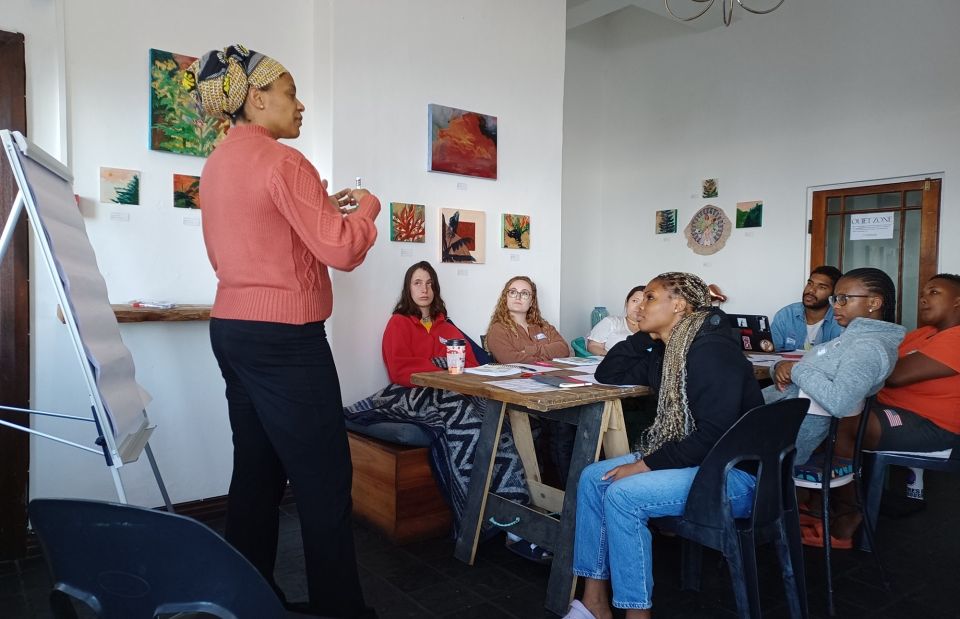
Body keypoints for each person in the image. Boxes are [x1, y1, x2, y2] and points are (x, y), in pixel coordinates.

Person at [187, 45, 378, 617]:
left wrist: (323, 204)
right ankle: (340, 610)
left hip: (232, 330)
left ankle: (248, 602)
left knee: (256, 471)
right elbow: (341, 250)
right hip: (285, 340)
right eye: (291, 92)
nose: (301, 105)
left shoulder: (217, 163)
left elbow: (278, 237)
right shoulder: (282, 162)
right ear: (256, 97)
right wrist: (366, 208)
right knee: (324, 480)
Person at [562, 272, 763, 619]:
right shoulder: (664, 350)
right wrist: (643, 335)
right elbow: (607, 372)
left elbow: (714, 434)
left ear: (679, 305)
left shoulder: (711, 349)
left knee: (624, 495)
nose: (640, 305)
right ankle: (594, 601)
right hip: (697, 461)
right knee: (593, 477)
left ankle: (637, 614)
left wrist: (641, 466)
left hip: (732, 473)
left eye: (650, 298)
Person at [344, 262, 529, 534]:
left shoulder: (445, 324)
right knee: (460, 413)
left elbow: (468, 362)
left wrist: (433, 363)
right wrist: (440, 363)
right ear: (408, 288)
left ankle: (512, 504)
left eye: (429, 283)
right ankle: (476, 510)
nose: (424, 288)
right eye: (418, 283)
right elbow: (399, 370)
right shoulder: (399, 323)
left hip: (449, 390)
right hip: (409, 393)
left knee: (491, 414)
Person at [828, 273, 960, 540]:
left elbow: (895, 374)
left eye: (934, 292)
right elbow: (879, 360)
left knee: (844, 422)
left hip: (930, 424)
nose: (923, 298)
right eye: (923, 291)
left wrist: (860, 364)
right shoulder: (924, 334)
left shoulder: (956, 338)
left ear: (958, 302)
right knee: (825, 413)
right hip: (890, 410)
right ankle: (823, 496)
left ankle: (849, 510)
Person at [766, 267, 905, 470]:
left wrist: (795, 369)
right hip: (776, 417)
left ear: (874, 303)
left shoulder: (868, 348)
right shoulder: (851, 338)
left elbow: (839, 401)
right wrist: (780, 367)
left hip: (781, 439)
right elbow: (808, 366)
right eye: (835, 299)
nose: (836, 306)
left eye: (843, 299)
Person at [485, 276, 573, 562]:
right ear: (505, 296)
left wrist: (530, 352)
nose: (519, 297)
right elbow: (510, 358)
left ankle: (565, 500)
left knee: (567, 424)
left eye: (525, 293)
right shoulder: (499, 328)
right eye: (513, 292)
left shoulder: (542, 326)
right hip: (520, 398)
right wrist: (539, 353)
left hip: (549, 391)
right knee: (557, 429)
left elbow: (564, 349)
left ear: (532, 299)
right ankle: (559, 502)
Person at [771, 265, 844, 351]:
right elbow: (772, 352)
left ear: (834, 294)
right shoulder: (785, 315)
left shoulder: (840, 320)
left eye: (821, 287)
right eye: (810, 284)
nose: (811, 290)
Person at [586, 285, 645, 356]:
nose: (639, 307)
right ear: (627, 303)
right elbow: (593, 346)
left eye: (644, 302)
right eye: (635, 301)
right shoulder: (611, 322)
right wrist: (614, 359)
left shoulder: (653, 330)